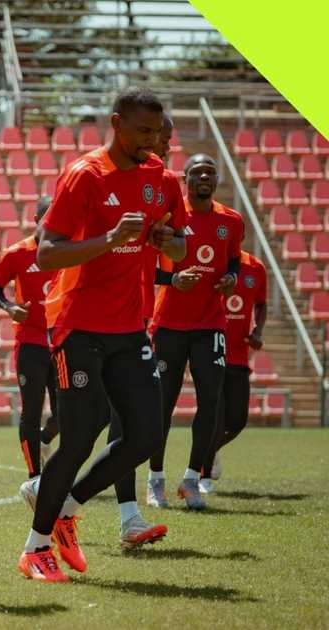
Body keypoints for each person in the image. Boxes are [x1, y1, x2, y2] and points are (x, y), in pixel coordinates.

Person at [17, 87, 185, 583]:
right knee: (80, 435)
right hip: (78, 326)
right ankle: (36, 548)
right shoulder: (84, 175)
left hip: (131, 325)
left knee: (147, 436)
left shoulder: (162, 178)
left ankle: (67, 507)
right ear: (116, 123)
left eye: (157, 132)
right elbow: (47, 254)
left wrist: (164, 239)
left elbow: (178, 247)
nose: (152, 141)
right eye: (142, 131)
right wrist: (109, 240)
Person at [147, 153, 243, 510]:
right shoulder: (170, 218)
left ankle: (191, 479)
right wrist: (173, 279)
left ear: (216, 181)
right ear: (184, 179)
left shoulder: (231, 221)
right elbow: (146, 269)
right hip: (169, 325)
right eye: (197, 173)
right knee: (162, 405)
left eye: (210, 173)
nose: (204, 177)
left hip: (210, 324)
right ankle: (155, 480)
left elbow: (233, 259)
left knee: (211, 403)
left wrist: (231, 277)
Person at [0, 196, 58, 478]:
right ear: (36, 221)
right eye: (47, 218)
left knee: (67, 414)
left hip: (63, 341)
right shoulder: (17, 253)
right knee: (31, 410)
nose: (52, 224)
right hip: (30, 343)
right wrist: (9, 307)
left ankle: (43, 440)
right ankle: (34, 477)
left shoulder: (67, 253)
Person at [202, 249, 267, 493]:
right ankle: (203, 475)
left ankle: (208, 449)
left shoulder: (256, 267)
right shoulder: (211, 261)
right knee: (215, 420)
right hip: (210, 351)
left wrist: (258, 331)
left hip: (239, 355)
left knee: (237, 422)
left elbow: (262, 304)